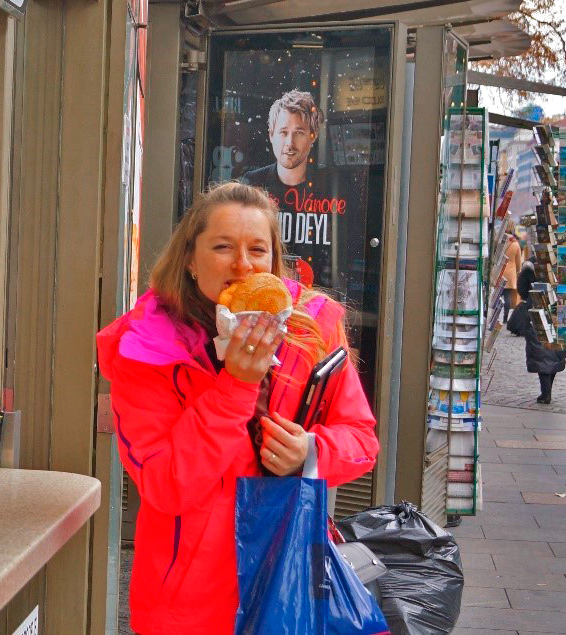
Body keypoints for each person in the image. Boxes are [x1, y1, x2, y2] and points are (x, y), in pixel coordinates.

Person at [96, 182, 378, 631]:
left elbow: (361, 438)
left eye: (258, 250)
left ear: (274, 262)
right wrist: (236, 386)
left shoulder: (313, 330)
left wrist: (312, 452)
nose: (243, 265)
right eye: (223, 247)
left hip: (288, 577)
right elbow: (167, 486)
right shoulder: (146, 352)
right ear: (189, 258)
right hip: (190, 602)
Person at [240, 90, 340, 290]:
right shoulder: (251, 183)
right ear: (271, 135)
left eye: (299, 133)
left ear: (313, 137)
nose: (290, 143)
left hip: (316, 300)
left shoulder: (330, 186)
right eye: (283, 132)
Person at [508, 260, 566, 404]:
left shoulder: (532, 265)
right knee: (552, 355)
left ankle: (546, 393)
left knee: (544, 355)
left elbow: (522, 289)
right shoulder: (563, 265)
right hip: (558, 315)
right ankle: (547, 392)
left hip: (537, 315)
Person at [502, 232, 522, 325]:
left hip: (500, 271)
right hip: (510, 273)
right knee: (507, 297)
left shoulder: (501, 242)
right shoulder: (515, 244)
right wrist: (518, 271)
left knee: (497, 296)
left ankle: (493, 317)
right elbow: (518, 262)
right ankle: (505, 319)